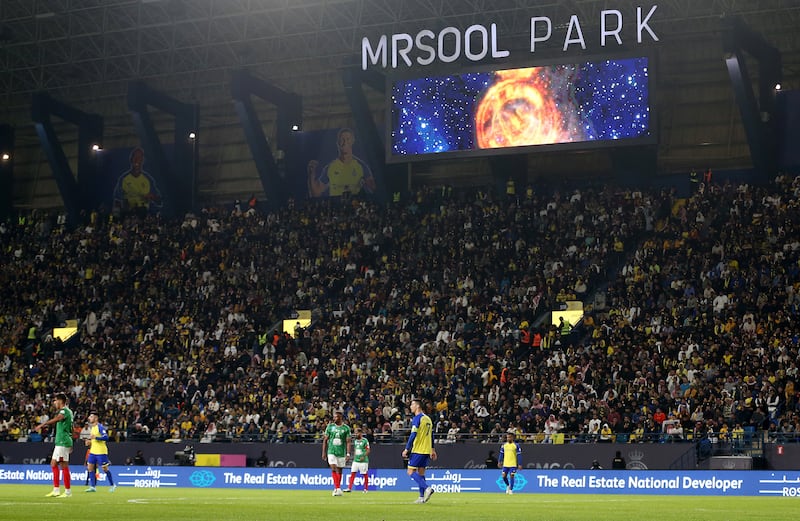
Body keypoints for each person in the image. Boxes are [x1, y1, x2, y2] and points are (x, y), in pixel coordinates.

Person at [308, 128, 375, 197]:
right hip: (336, 206)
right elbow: (316, 193)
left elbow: (374, 188)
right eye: (342, 140)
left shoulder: (361, 166)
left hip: (355, 205)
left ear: (352, 141)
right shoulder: (330, 168)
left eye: (348, 139)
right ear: (338, 143)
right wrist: (311, 175)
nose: (345, 142)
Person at [34, 392, 74, 498]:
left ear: (60, 401)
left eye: (55, 400)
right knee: (53, 464)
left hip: (63, 442)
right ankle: (56, 490)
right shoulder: (68, 412)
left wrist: (43, 424)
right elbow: (71, 428)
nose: (54, 402)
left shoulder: (64, 411)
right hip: (61, 441)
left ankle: (68, 492)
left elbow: (58, 418)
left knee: (63, 465)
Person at [402, 399, 437, 504]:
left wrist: (407, 449)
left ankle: (427, 488)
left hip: (418, 450)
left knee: (410, 471)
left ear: (417, 406)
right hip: (426, 450)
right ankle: (421, 497)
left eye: (412, 404)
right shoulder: (428, 419)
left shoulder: (417, 418)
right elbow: (431, 435)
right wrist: (433, 449)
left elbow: (413, 435)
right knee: (421, 473)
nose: (410, 406)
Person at [113, 147, 162, 211]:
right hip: (128, 215)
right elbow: (117, 200)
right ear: (131, 159)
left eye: (139, 157)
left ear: (143, 160)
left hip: (144, 215)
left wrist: (153, 197)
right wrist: (116, 218)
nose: (136, 160)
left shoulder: (148, 179)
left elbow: (159, 202)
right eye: (135, 157)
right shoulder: (123, 179)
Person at [84, 411, 116, 492]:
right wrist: (89, 442)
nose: (89, 418)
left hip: (101, 452)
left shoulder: (100, 427)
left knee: (105, 469)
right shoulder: (93, 428)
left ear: (96, 418)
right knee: (90, 468)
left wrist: (96, 438)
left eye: (91, 417)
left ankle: (112, 485)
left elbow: (106, 438)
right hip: (93, 451)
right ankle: (93, 487)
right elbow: (93, 440)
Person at [321, 409, 351, 496]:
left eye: (336, 417)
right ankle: (337, 488)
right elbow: (325, 440)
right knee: (333, 467)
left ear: (341, 417)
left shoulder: (346, 428)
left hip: (341, 452)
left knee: (340, 470)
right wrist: (324, 452)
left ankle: (337, 488)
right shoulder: (330, 427)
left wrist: (348, 453)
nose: (334, 418)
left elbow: (348, 441)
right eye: (334, 417)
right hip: (331, 451)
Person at [345, 427, 370, 493]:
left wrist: (364, 456)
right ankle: (349, 488)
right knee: (353, 473)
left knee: (365, 474)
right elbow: (355, 449)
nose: (355, 434)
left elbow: (368, 450)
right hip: (356, 460)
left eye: (356, 433)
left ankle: (366, 489)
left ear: (360, 433)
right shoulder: (355, 441)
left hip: (363, 461)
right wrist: (355, 457)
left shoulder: (365, 440)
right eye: (355, 433)